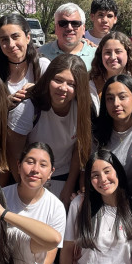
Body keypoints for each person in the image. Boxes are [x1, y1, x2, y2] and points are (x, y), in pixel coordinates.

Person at [8, 55, 94, 206]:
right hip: (30, 177)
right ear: (48, 79)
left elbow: (78, 152)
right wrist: (25, 188)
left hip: (64, 176)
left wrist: (68, 187)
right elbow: (13, 154)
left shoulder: (82, 108)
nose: (63, 88)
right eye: (58, 80)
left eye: (71, 84)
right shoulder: (28, 108)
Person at [2, 142, 67, 264]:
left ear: (51, 172)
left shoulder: (56, 207)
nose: (35, 169)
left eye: (43, 165)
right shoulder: (1, 196)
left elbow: (47, 261)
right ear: (18, 165)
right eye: (30, 162)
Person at [92, 74, 132, 200]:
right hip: (102, 199)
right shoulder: (96, 134)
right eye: (110, 98)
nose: (116, 103)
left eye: (122, 97)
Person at [0, 13, 49, 107]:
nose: (11, 44)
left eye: (15, 37)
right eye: (4, 40)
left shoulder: (42, 65)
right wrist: (5, 103)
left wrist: (38, 91)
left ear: (28, 38)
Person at [38, 2, 97, 72]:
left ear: (83, 28)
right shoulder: (41, 54)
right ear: (56, 28)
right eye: (63, 23)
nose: (69, 28)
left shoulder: (97, 55)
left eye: (75, 23)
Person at [89, 31, 132, 96]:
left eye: (118, 51)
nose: (113, 57)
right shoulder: (91, 84)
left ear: (128, 53)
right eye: (107, 52)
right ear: (101, 55)